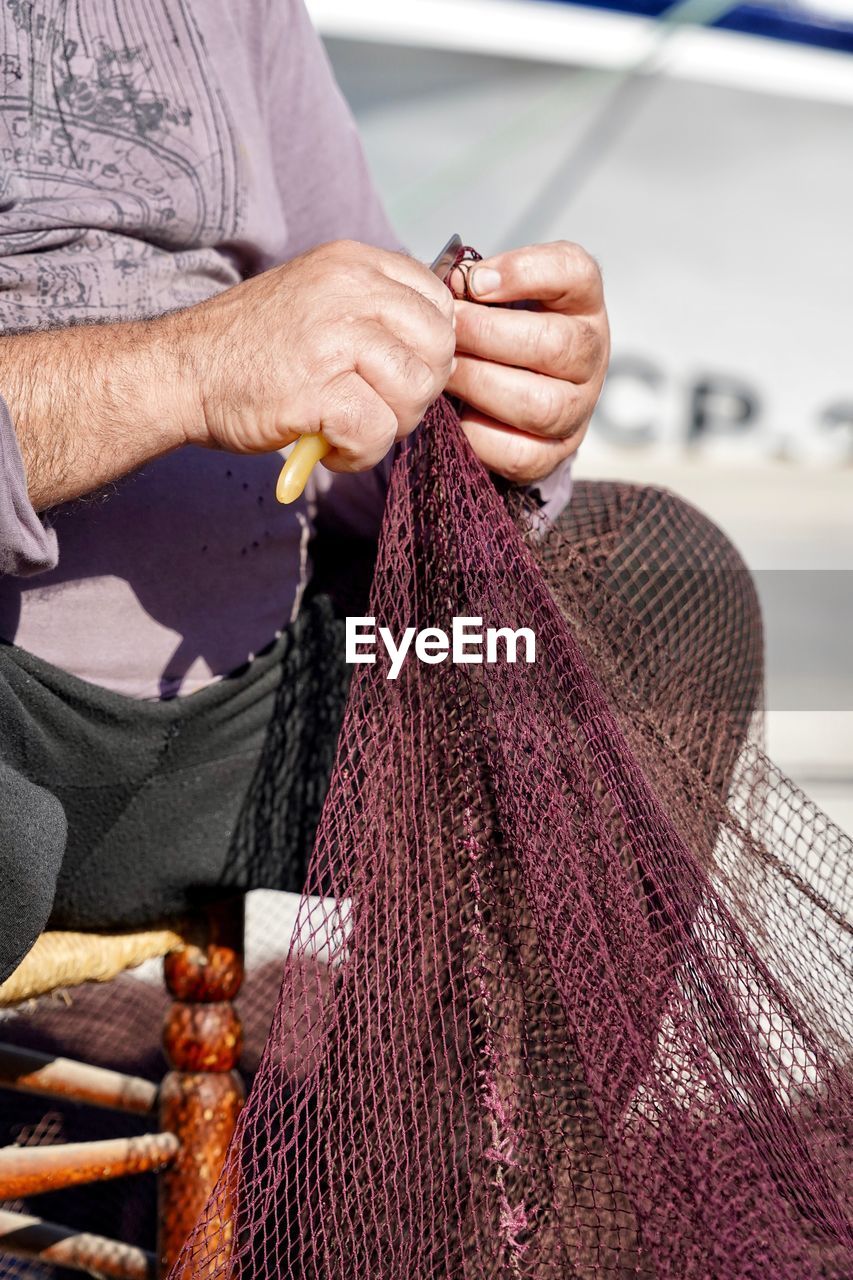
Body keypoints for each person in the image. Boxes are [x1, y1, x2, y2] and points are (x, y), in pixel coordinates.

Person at [0, 0, 609, 983]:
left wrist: (500, 413)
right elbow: (232, 358)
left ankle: (416, 1135)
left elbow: (361, 433)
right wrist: (187, 369)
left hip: (264, 720)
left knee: (657, 581)